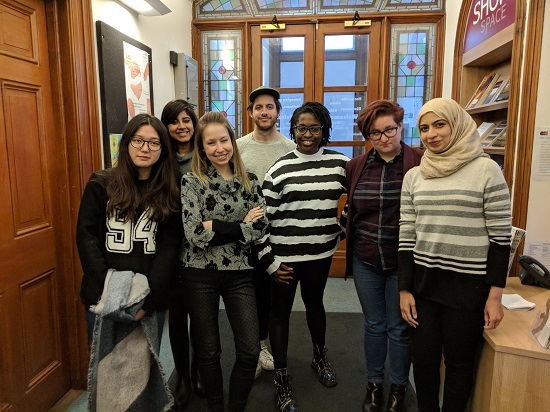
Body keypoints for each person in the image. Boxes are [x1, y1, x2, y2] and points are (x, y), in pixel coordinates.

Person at [398, 98, 512, 412]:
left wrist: (495, 295)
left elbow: (501, 239)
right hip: (424, 286)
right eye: (424, 128)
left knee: (459, 364)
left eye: (439, 124)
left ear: (457, 124)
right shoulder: (415, 176)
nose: (431, 134)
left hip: (469, 289)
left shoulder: (487, 170)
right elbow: (407, 235)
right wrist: (404, 288)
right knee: (422, 362)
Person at [76, 113, 182, 409]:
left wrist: (146, 303)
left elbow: (169, 248)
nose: (145, 148)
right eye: (138, 140)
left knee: (141, 373)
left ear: (163, 149)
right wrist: (110, 291)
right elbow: (86, 238)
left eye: (153, 142)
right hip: (102, 296)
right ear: (126, 144)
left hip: (149, 300)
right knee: (106, 370)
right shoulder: (101, 183)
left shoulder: (171, 190)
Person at [256, 101, 348, 412]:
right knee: (279, 314)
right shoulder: (279, 169)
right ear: (293, 130)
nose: (307, 134)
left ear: (325, 130)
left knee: (315, 305)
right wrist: (270, 262)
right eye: (301, 128)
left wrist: (342, 229)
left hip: (320, 256)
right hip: (284, 260)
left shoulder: (341, 164)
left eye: (314, 128)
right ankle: (281, 378)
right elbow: (260, 221)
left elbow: (361, 197)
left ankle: (319, 356)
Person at [179, 111, 269, 412]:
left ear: (232, 140)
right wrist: (239, 226)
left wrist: (213, 225)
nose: (219, 148)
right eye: (211, 143)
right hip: (198, 273)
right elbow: (193, 233)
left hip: (240, 272)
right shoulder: (191, 180)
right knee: (208, 352)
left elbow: (259, 230)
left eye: (224, 140)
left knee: (248, 351)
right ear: (201, 149)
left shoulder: (250, 180)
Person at [341, 100, 423, 412]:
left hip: (404, 263)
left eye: (389, 129)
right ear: (368, 137)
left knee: (399, 327)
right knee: (374, 324)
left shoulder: (420, 162)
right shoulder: (357, 166)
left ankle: (399, 389)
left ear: (401, 126)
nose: (384, 137)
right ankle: (374, 385)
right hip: (367, 261)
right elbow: (352, 213)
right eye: (375, 133)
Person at [237, 86, 296, 378]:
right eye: (258, 107)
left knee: (275, 295)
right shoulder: (237, 147)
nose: (264, 112)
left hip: (280, 236)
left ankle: (272, 346)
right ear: (250, 113)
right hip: (247, 236)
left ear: (277, 112)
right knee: (252, 294)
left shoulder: (289, 149)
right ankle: (257, 347)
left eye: (269, 107)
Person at [161, 99, 204, 409]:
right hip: (170, 251)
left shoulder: (205, 155)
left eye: (186, 120)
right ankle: (184, 378)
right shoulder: (161, 159)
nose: (181, 126)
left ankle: (200, 370)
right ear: (166, 127)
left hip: (202, 250)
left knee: (202, 318)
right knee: (177, 319)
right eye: (174, 121)